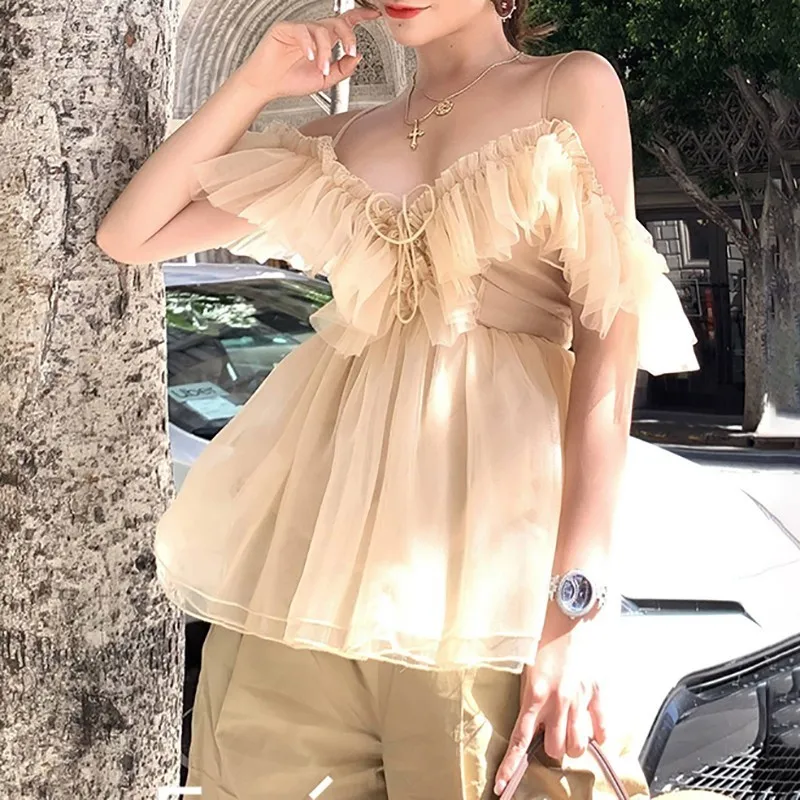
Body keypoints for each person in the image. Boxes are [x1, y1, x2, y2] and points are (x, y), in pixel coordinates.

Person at [96, 1, 700, 798]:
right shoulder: (343, 140)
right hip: (306, 582)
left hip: (487, 592)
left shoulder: (569, 87)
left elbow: (607, 350)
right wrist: (255, 81)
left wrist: (573, 618)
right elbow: (131, 235)